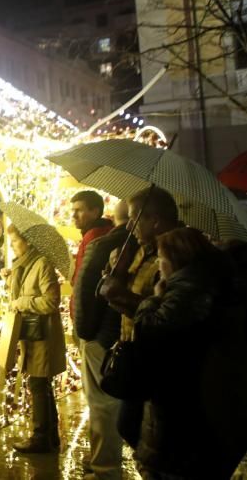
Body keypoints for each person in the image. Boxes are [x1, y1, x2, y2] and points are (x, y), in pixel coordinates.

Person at [132, 227, 247, 478]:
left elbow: (151, 330)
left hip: (184, 397)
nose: (158, 263)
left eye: (161, 258)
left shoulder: (188, 290)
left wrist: (154, 300)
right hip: (209, 394)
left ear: (176, 259)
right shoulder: (217, 280)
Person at [101, 186, 179, 449]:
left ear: (154, 220)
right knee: (132, 426)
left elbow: (165, 312)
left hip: (158, 358)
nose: (129, 226)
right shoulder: (140, 251)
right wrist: (116, 274)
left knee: (140, 429)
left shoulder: (174, 254)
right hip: (135, 348)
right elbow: (127, 298)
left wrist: (121, 294)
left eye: (135, 218)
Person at [74, 205, 131, 479]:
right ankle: (103, 458)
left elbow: (84, 292)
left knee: (103, 403)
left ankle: (105, 468)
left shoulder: (103, 245)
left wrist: (85, 333)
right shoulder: (133, 246)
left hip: (104, 335)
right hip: (120, 333)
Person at [6, 223, 66, 454]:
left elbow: (50, 302)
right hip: (32, 335)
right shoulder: (24, 264)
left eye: (15, 242)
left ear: (28, 241)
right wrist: (10, 279)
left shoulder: (41, 263)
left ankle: (41, 436)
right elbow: (22, 293)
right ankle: (49, 436)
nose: (12, 247)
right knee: (40, 384)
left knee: (39, 384)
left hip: (43, 335)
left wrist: (22, 303)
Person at [69, 190, 113, 296]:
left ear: (95, 212)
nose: (73, 215)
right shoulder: (96, 233)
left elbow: (84, 281)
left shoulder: (94, 236)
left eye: (78, 210)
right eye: (73, 210)